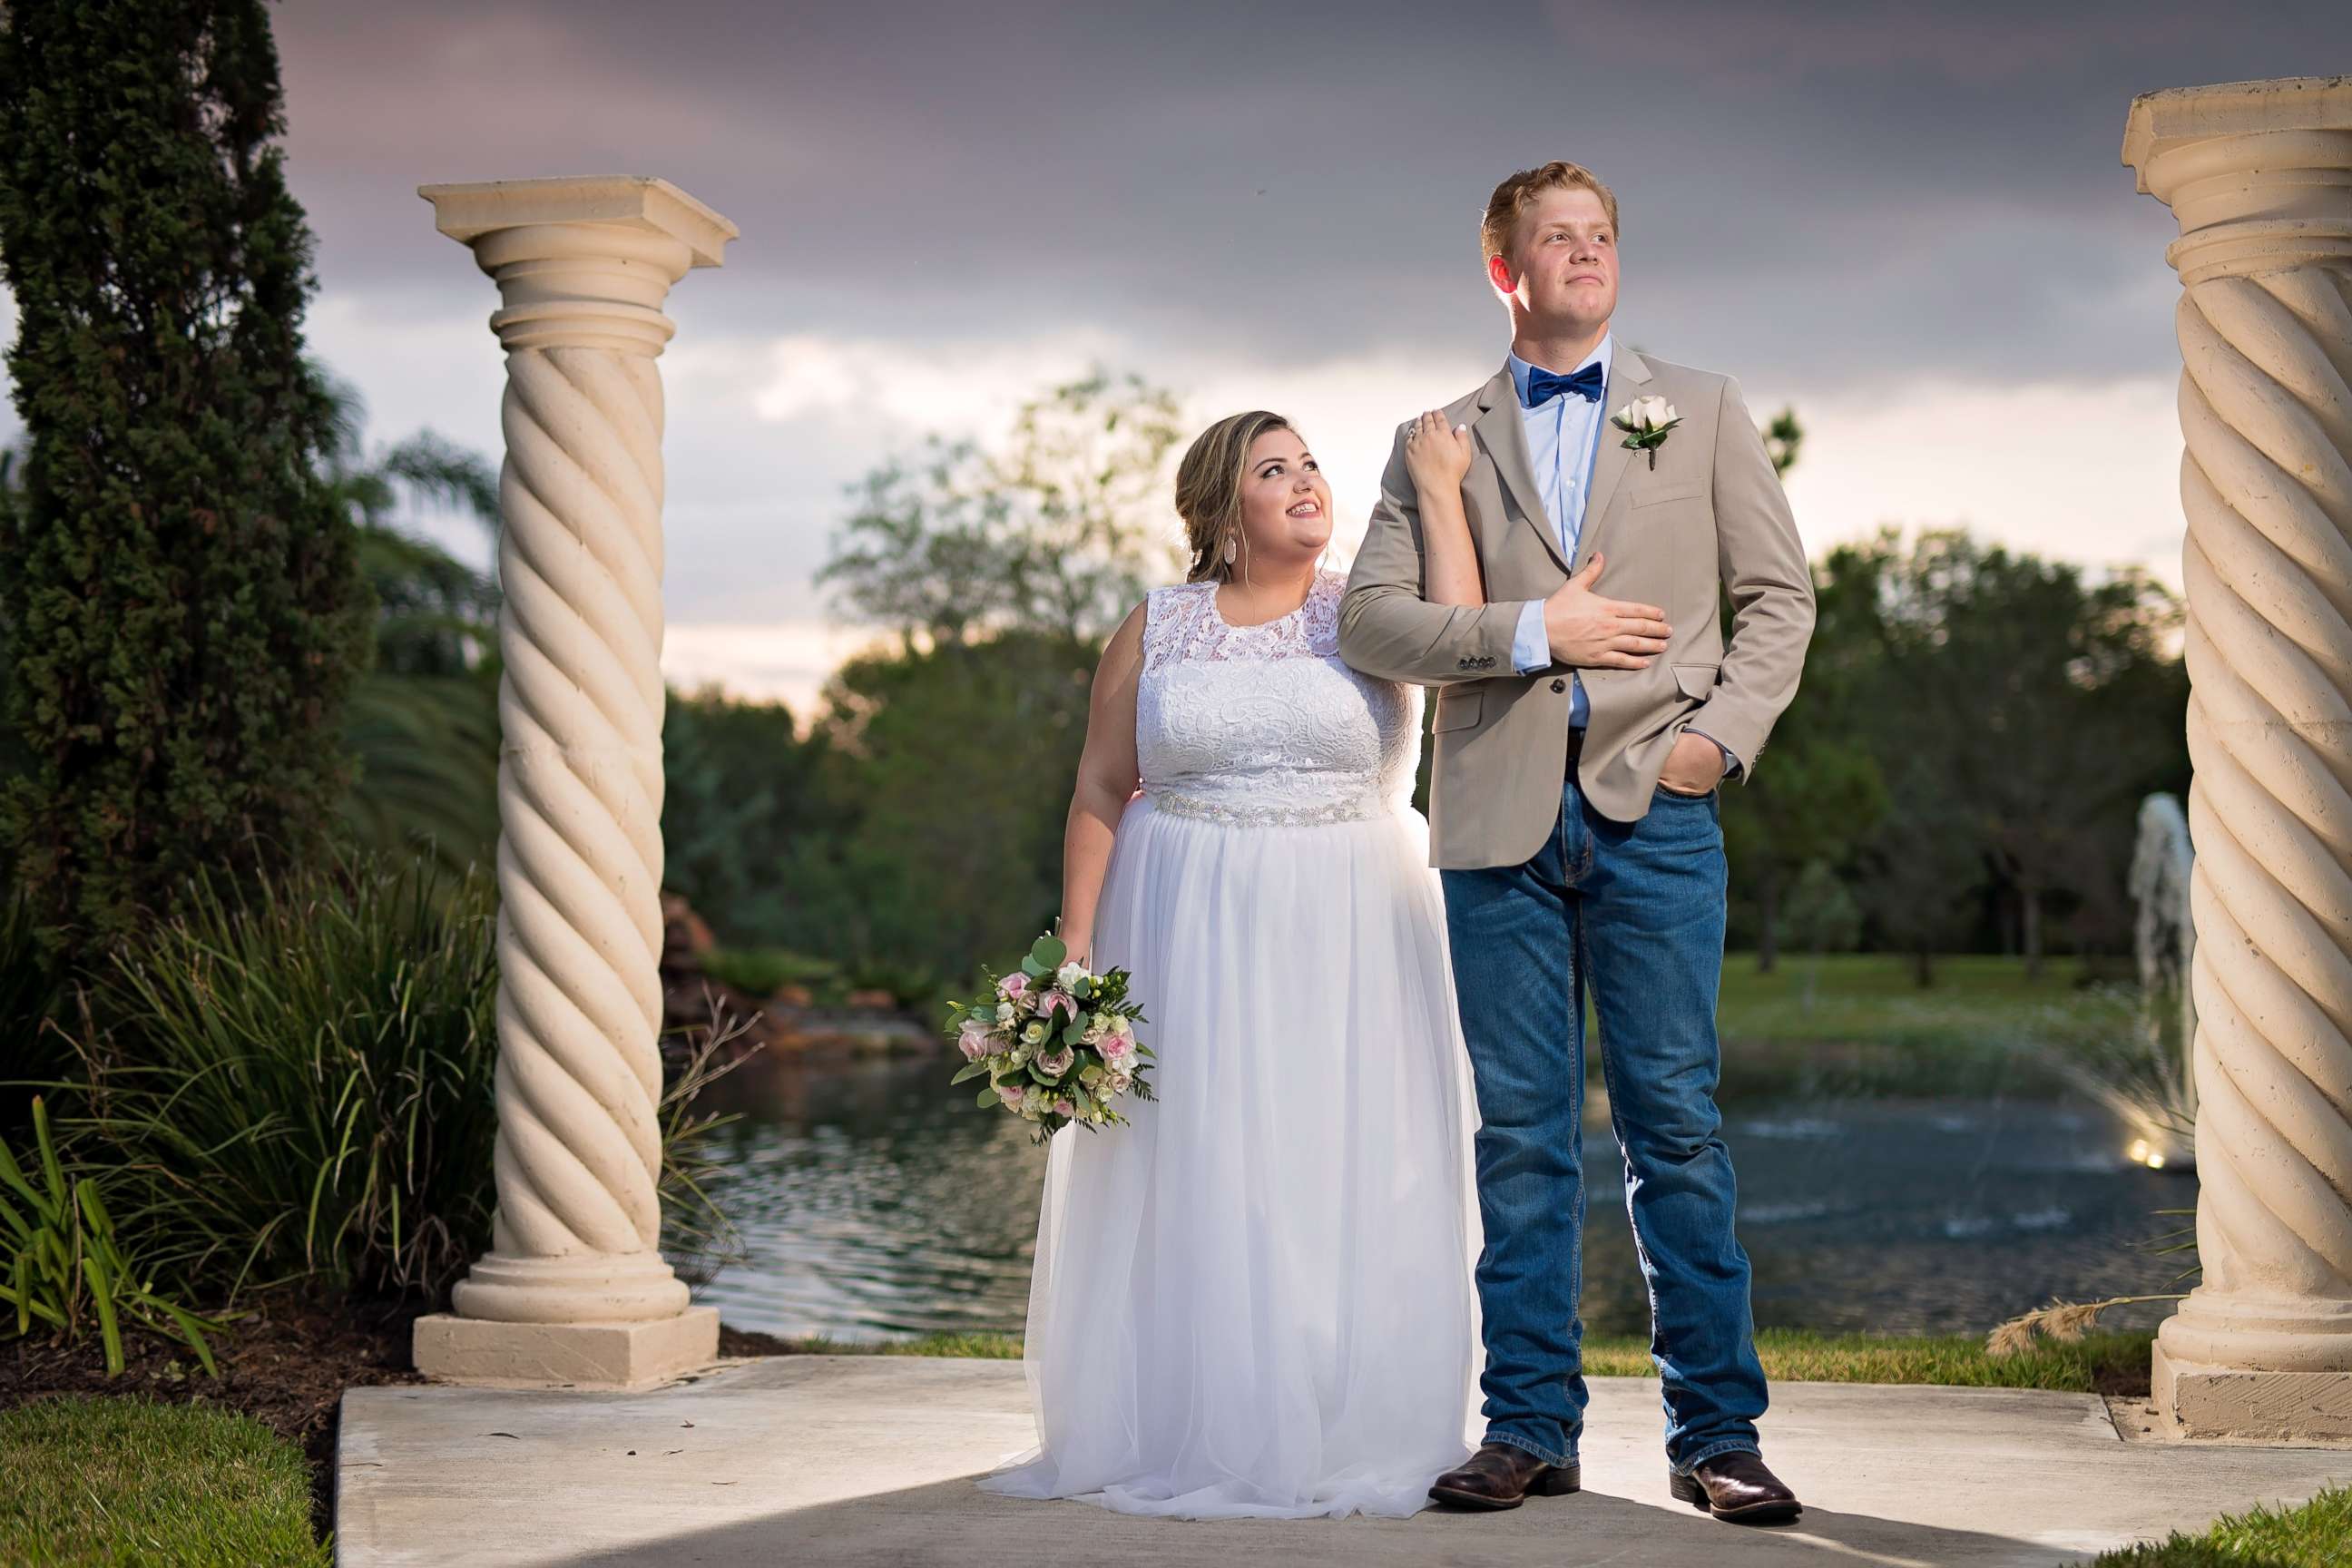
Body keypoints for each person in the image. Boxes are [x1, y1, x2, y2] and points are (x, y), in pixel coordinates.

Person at [1340, 160, 1818, 1525]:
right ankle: (1529, 1428)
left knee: (1676, 1124)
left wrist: (1712, 746)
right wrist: (1536, 630)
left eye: (1602, 231)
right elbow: (1375, 622)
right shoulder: (1435, 436)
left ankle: (1717, 1433)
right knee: (1524, 1140)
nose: (1586, 250)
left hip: (1657, 814)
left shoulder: (1704, 409)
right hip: (1494, 822)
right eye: (1556, 235)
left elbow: (1779, 601)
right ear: (1504, 266)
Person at [978, 410, 1482, 1520]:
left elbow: (1462, 637)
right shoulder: (1156, 627)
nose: (1306, 481)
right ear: (1220, 509)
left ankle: (1347, 1416)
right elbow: (1103, 788)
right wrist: (1074, 953)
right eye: (1274, 469)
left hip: (1350, 920)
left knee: (1335, 1157)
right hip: (1182, 922)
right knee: (1201, 1159)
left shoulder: (1365, 611)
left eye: (1310, 464)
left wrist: (1441, 489)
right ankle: (1189, 1417)